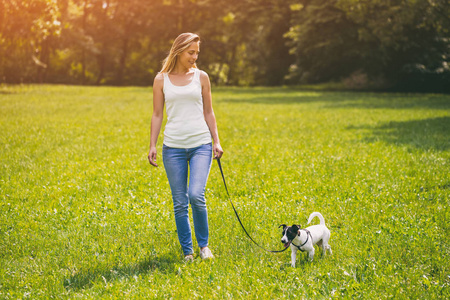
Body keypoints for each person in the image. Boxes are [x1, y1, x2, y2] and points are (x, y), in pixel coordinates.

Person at [148, 33, 223, 261]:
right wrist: (152, 144)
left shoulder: (201, 77)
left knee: (195, 195)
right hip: (173, 148)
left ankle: (204, 246)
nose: (195, 56)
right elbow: (157, 114)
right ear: (179, 51)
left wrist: (216, 140)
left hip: (201, 144)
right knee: (180, 201)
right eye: (191, 52)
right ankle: (188, 252)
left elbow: (208, 112)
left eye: (197, 52)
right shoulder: (161, 79)